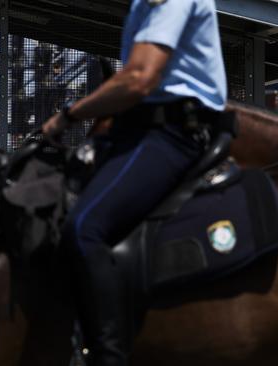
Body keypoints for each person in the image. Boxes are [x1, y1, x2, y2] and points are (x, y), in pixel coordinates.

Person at [42, 0, 228, 365]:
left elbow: (139, 78)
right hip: (138, 130)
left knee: (85, 228)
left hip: (173, 133)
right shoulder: (141, 4)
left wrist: (68, 116)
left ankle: (108, 356)